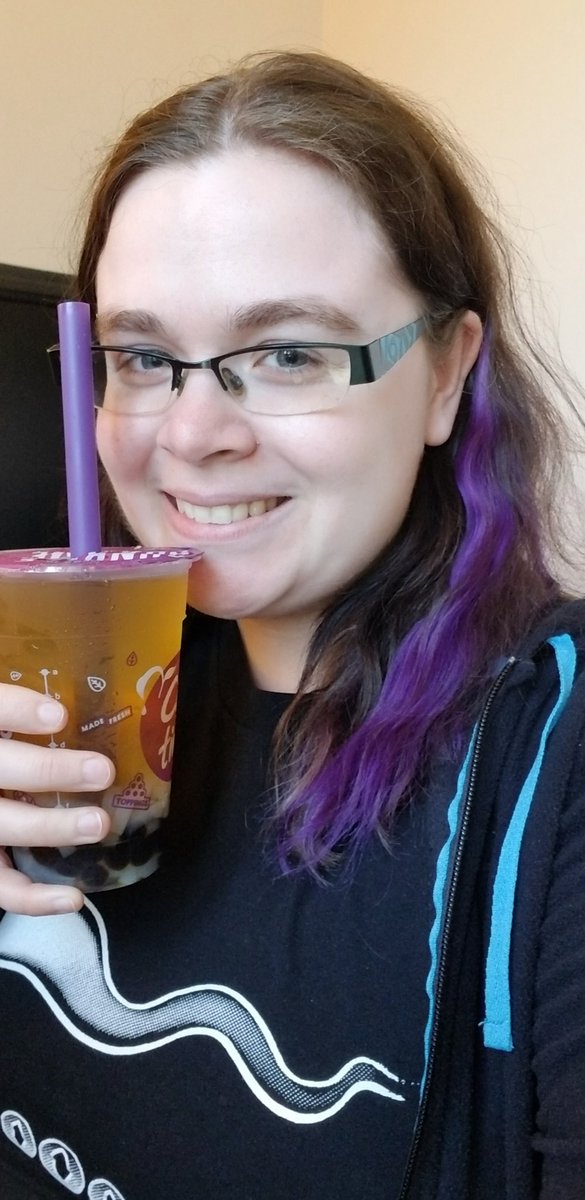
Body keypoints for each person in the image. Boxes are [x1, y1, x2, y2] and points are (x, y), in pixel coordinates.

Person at [0, 50, 584, 1200]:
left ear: (444, 375)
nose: (191, 433)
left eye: (287, 353)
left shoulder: (554, 759)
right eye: (143, 357)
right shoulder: (67, 680)